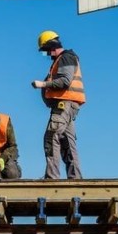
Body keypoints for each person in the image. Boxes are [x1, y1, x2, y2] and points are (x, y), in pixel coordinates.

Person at [31, 30, 85, 179]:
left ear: (51, 46)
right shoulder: (63, 59)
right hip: (67, 106)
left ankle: (51, 177)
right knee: (67, 142)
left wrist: (42, 84)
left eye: (46, 51)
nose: (47, 55)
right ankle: (76, 179)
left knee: (51, 136)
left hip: (64, 105)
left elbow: (65, 81)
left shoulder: (66, 58)